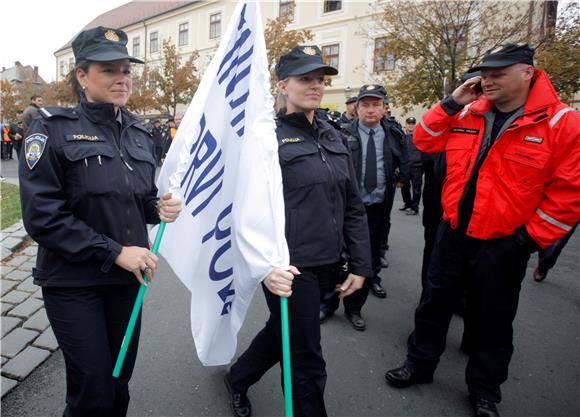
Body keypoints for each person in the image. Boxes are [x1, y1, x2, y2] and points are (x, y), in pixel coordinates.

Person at [385, 43, 580, 417]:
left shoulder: (561, 122)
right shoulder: (470, 111)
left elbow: (569, 193)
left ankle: (484, 390)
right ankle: (419, 364)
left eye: (498, 74)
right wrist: (451, 102)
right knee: (433, 304)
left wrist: (527, 240)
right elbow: (424, 140)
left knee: (492, 319)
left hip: (504, 243)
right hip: (454, 232)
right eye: (485, 74)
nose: (487, 81)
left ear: (527, 73)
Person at [19, 26, 182, 417]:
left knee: (118, 383)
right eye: (109, 70)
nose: (122, 78)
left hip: (126, 282)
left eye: (126, 69)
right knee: (92, 391)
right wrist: (114, 251)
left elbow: (139, 201)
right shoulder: (51, 129)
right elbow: (43, 217)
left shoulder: (139, 133)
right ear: (81, 75)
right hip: (74, 283)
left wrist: (158, 209)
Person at [225, 45, 372, 417]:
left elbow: (352, 204)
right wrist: (264, 267)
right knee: (307, 355)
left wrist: (360, 263)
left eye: (320, 80)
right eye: (305, 79)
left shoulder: (334, 135)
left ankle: (239, 377)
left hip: (329, 261)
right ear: (283, 84)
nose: (315, 86)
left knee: (284, 331)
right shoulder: (264, 139)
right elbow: (244, 212)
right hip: (287, 267)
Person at [319, 84, 408, 330]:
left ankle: (354, 307)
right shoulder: (339, 134)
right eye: (365, 105)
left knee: (366, 259)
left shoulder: (394, 135)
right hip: (344, 208)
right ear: (356, 108)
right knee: (334, 258)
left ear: (384, 109)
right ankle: (327, 304)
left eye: (375, 105)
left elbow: (405, 160)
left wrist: (405, 176)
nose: (370, 110)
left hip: (377, 208)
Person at [399, 117, 423, 215]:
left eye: (412, 124)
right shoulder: (402, 137)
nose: (411, 125)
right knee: (404, 186)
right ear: (406, 124)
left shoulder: (419, 136)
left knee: (416, 188)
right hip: (405, 166)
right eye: (409, 123)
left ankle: (414, 207)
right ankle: (407, 204)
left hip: (417, 166)